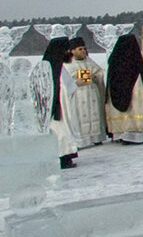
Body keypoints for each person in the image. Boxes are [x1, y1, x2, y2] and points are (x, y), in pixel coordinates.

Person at [106, 33, 143, 145]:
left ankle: (130, 135)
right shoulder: (130, 59)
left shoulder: (118, 59)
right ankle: (129, 134)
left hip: (127, 91)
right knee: (134, 109)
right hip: (135, 89)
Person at [41, 37, 79, 167]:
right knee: (60, 133)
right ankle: (63, 158)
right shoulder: (52, 67)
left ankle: (66, 157)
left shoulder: (58, 66)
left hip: (62, 106)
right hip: (57, 108)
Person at [64, 37, 107, 148]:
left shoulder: (89, 61)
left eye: (84, 48)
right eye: (80, 49)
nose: (83, 51)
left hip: (92, 93)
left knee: (94, 113)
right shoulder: (67, 64)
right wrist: (78, 80)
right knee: (79, 116)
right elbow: (66, 79)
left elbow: (99, 72)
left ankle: (96, 138)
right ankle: (82, 140)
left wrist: (95, 76)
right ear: (72, 51)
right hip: (78, 95)